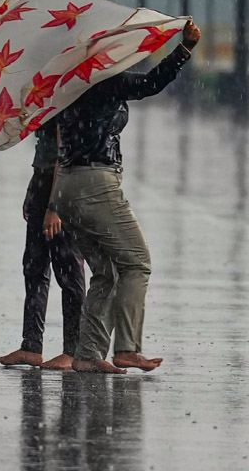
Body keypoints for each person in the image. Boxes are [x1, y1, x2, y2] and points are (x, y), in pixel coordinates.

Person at [45, 19, 201, 374]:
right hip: (95, 182)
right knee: (137, 262)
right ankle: (128, 348)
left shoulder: (70, 84)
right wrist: (184, 49)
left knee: (106, 273)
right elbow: (150, 83)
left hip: (68, 185)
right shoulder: (104, 80)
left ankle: (87, 355)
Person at [0, 116, 86, 372]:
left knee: (68, 271)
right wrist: (34, 191)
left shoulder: (65, 96)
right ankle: (31, 346)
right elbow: (45, 152)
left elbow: (65, 155)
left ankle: (74, 350)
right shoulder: (49, 98)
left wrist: (55, 205)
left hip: (62, 190)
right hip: (43, 183)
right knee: (34, 268)